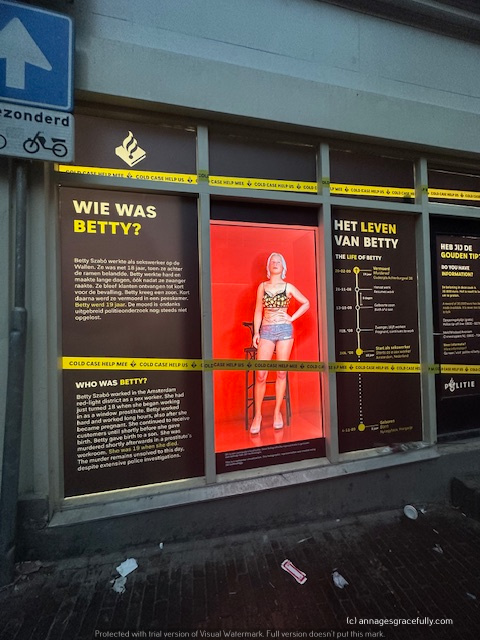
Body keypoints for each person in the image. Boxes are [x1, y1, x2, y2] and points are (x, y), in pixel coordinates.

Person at [250, 252, 310, 434]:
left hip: (284, 331)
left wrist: (292, 317)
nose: (275, 264)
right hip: (267, 331)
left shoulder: (288, 287)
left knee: (281, 372)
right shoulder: (262, 286)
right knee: (260, 374)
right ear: (268, 266)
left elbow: (306, 303)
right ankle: (258, 415)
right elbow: (258, 310)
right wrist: (256, 332)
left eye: (278, 261)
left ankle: (277, 412)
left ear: (283, 266)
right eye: (272, 261)